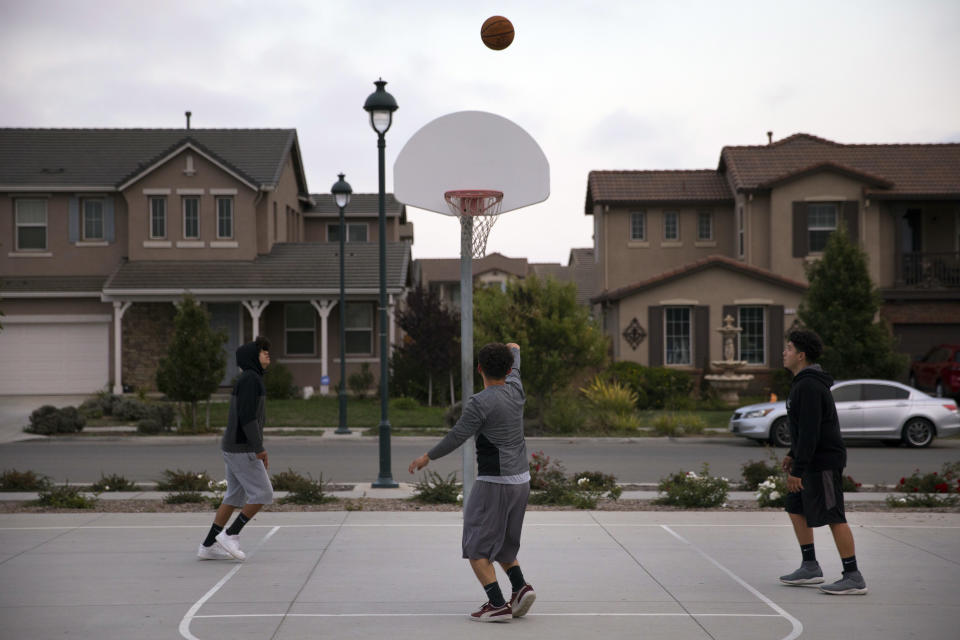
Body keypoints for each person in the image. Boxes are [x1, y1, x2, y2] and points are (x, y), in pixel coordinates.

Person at [408, 342, 535, 623]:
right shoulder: (516, 388)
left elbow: (456, 436)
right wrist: (515, 349)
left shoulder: (481, 403)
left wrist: (427, 457)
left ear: (479, 369)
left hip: (495, 483)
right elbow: (516, 355)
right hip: (522, 481)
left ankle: (497, 604)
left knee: (476, 544)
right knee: (503, 541)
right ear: (508, 369)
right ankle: (520, 587)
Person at [778, 329, 867, 595]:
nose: (784, 352)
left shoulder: (809, 385)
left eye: (789, 348)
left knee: (833, 514)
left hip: (824, 461)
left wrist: (799, 469)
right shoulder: (802, 383)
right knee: (795, 506)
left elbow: (811, 432)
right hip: (810, 458)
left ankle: (853, 575)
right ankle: (810, 566)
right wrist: (793, 453)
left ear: (801, 355)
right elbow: (804, 429)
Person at [197, 336, 273, 561]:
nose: (267, 353)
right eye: (262, 351)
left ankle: (208, 545)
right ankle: (231, 534)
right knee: (263, 493)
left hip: (233, 446)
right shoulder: (251, 379)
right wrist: (259, 448)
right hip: (242, 447)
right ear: (252, 357)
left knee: (233, 497)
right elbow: (248, 418)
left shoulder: (249, 378)